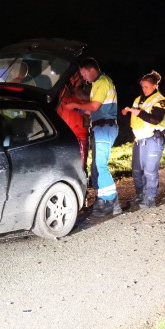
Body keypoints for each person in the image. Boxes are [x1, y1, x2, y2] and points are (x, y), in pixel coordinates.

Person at [63, 57, 121, 217]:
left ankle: (111, 202)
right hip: (100, 126)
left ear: (90, 70)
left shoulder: (102, 82)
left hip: (105, 127)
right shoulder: (97, 84)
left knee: (100, 166)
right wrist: (78, 110)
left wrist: (75, 105)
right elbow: (92, 110)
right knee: (96, 167)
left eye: (83, 73)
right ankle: (102, 201)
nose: (83, 77)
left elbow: (94, 106)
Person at [121, 70, 165, 210]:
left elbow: (155, 119)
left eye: (147, 87)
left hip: (153, 139)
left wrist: (135, 111)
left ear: (155, 86)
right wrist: (127, 111)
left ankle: (150, 198)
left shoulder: (162, 101)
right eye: (142, 87)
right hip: (139, 140)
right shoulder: (138, 99)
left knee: (150, 171)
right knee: (137, 171)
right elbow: (137, 117)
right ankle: (140, 196)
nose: (144, 90)